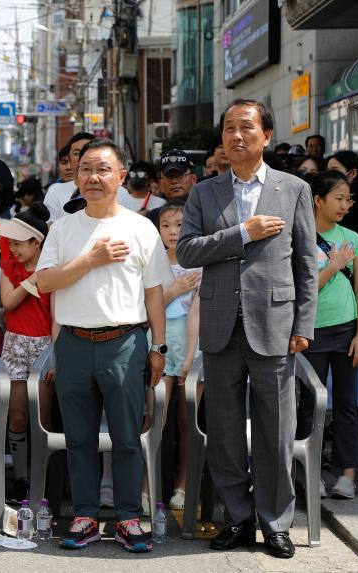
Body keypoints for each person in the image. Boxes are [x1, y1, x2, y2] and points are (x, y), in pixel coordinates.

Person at [177, 98, 317, 560]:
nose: (237, 136)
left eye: (246, 127)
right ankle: (236, 517)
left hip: (275, 324)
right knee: (224, 430)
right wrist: (243, 232)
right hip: (220, 325)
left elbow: (305, 266)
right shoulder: (204, 192)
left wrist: (305, 324)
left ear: (266, 136)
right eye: (229, 128)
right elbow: (188, 252)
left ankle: (275, 522)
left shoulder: (293, 188)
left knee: (277, 429)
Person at [37, 138, 171, 554]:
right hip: (74, 342)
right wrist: (90, 259)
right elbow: (45, 283)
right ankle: (85, 516)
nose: (93, 177)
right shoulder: (63, 227)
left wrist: (159, 348)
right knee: (78, 437)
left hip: (126, 343)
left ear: (121, 176)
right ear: (76, 177)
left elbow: (154, 294)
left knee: (128, 437)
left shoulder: (141, 226)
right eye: (86, 169)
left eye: (102, 169)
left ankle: (130, 518)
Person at [296, 170, 358, 500]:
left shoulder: (353, 238)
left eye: (348, 199)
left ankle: (347, 475)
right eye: (339, 198)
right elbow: (304, 288)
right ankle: (311, 471)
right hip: (311, 330)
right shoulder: (300, 238)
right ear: (318, 200)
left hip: (347, 328)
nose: (345, 205)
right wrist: (334, 265)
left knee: (347, 405)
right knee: (310, 404)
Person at [0, 202, 54, 504]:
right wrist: (31, 281)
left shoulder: (53, 271)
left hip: (46, 347)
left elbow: (58, 316)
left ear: (37, 241)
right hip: (15, 345)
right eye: (10, 242)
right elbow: (9, 302)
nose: (13, 248)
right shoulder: (9, 269)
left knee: (42, 418)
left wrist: (56, 354)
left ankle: (41, 479)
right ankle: (21, 479)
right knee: (16, 417)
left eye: (18, 242)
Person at [155, 201, 201, 510]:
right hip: (158, 342)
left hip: (190, 344)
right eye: (166, 226)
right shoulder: (151, 262)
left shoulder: (200, 263)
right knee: (154, 418)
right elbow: (145, 309)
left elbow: (198, 313)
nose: (173, 232)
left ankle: (184, 487)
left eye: (180, 225)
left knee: (188, 422)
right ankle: (147, 487)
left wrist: (189, 359)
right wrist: (174, 288)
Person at [44, 132, 94, 222]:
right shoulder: (55, 191)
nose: (82, 157)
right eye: (77, 153)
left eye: (88, 151)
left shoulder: (118, 192)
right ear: (69, 159)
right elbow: (50, 227)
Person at [146, 149, 197, 226]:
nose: (174, 181)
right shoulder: (151, 218)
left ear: (194, 179)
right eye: (169, 176)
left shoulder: (205, 213)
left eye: (180, 175)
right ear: (161, 184)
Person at [328, 151, 358, 235]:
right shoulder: (324, 198)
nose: (329, 175)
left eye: (334, 171)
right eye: (328, 171)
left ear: (352, 174)